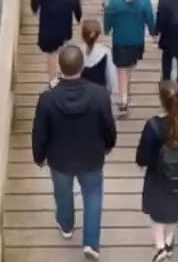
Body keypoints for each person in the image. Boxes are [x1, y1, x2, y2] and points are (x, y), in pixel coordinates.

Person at [32, 45, 117, 260]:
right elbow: (109, 128)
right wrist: (108, 146)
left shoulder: (47, 99)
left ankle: (66, 225)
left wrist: (39, 156)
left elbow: (39, 133)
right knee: (94, 196)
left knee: (62, 193)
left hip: (59, 159)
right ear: (82, 66)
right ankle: (91, 243)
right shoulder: (99, 95)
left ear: (60, 67)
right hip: (91, 157)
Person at [136, 80, 178, 261]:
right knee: (174, 212)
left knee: (157, 214)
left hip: (158, 179)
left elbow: (141, 159)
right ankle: (168, 241)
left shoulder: (153, 126)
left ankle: (160, 247)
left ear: (161, 100)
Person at [103, 0, 156, 116]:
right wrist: (153, 33)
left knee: (121, 69)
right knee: (128, 67)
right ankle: (126, 91)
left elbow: (108, 21)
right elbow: (150, 20)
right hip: (137, 43)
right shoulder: (144, 0)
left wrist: (107, 29)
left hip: (120, 43)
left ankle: (124, 100)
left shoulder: (115, 1)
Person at [31, 0, 84, 87]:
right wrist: (78, 16)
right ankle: (64, 72)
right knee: (62, 46)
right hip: (63, 21)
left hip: (47, 21)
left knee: (51, 52)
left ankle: (52, 80)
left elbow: (35, 0)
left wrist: (35, 9)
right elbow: (75, 0)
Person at [79, 18, 119, 96]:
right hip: (100, 92)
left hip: (81, 92)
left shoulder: (77, 51)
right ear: (98, 35)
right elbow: (111, 73)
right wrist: (112, 89)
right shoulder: (105, 51)